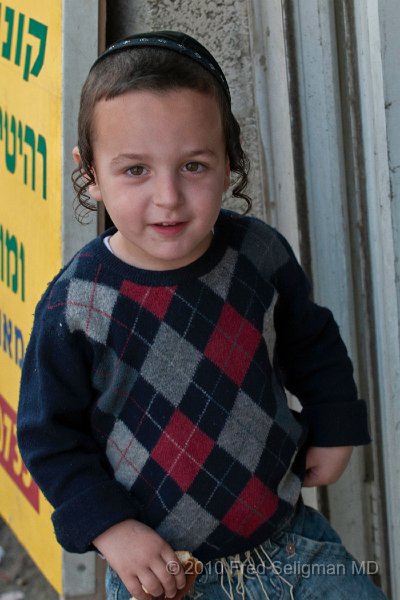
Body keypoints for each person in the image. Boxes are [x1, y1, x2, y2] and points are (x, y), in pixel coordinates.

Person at [17, 31, 387, 600]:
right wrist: (112, 530)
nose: (168, 196)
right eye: (135, 170)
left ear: (230, 161)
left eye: (193, 165)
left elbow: (310, 342)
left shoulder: (257, 255)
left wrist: (335, 422)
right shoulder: (77, 304)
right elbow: (49, 437)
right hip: (166, 576)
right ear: (89, 171)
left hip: (291, 543)